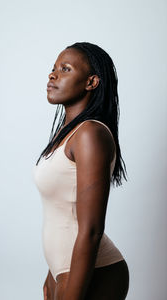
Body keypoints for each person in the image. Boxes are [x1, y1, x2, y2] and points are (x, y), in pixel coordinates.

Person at [33, 42, 129, 300]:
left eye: (65, 69)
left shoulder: (90, 134)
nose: (52, 75)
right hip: (62, 271)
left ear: (91, 82)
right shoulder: (67, 136)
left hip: (94, 273)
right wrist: (50, 273)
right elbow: (62, 211)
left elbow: (91, 229)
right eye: (53, 68)